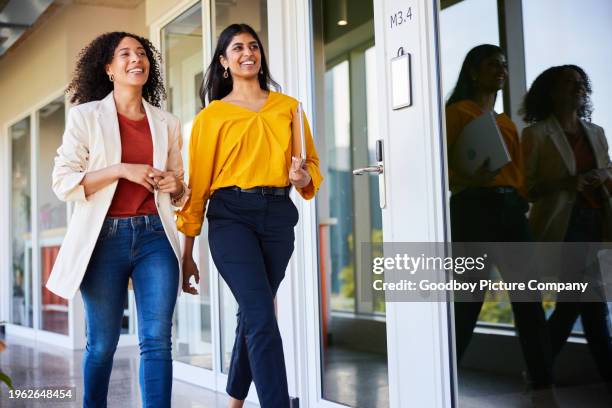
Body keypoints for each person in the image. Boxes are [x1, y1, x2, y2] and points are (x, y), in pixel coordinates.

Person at [177, 23, 322, 408]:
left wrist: (302, 176)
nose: (248, 52)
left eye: (254, 46)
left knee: (253, 313)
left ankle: (234, 402)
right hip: (230, 218)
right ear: (224, 61)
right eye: (237, 47)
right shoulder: (212, 117)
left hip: (277, 216)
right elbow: (199, 186)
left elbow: (310, 166)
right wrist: (188, 252)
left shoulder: (289, 107)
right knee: (261, 315)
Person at [46, 31, 189, 407]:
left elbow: (180, 190)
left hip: (155, 237)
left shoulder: (167, 123)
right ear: (109, 68)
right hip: (102, 239)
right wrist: (121, 169)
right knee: (103, 344)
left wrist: (175, 184)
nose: (135, 59)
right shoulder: (85, 117)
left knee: (157, 339)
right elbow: (63, 181)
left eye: (141, 53)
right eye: (124, 54)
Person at [446, 44, 553, 392]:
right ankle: (442, 381)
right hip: (473, 207)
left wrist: (519, 198)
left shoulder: (506, 122)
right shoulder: (455, 113)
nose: (502, 70)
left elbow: (518, 172)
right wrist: (468, 179)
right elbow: (444, 167)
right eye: (493, 65)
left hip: (510, 209)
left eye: (504, 65)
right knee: (469, 298)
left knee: (528, 297)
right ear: (474, 71)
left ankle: (542, 381)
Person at [521, 65, 612, 386]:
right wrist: (568, 182)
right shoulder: (535, 134)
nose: (577, 88)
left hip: (598, 224)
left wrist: (604, 175)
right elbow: (527, 187)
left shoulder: (597, 132)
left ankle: (537, 373)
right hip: (564, 226)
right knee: (584, 304)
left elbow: (608, 171)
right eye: (569, 83)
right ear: (552, 91)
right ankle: (539, 373)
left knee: (586, 306)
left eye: (580, 83)